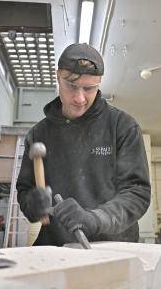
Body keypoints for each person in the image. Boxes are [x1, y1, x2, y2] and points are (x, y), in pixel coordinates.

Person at [16, 43, 151, 246]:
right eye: (71, 86)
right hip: (57, 247)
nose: (80, 98)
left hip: (113, 247)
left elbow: (137, 193)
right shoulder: (39, 134)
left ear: (99, 83)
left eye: (89, 88)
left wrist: (93, 218)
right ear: (58, 77)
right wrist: (32, 205)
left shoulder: (122, 127)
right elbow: (25, 190)